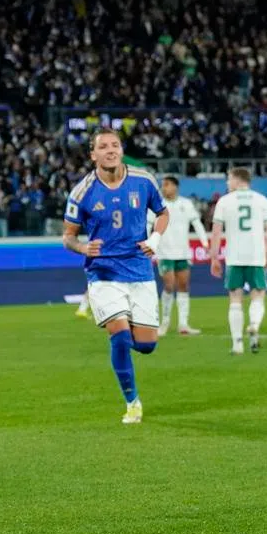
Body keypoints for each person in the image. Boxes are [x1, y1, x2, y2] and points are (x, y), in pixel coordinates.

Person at [63, 130, 169, 424]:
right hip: (104, 272)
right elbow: (68, 236)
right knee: (120, 337)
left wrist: (155, 239)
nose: (110, 150)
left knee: (146, 345)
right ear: (92, 155)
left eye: (115, 145)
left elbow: (163, 213)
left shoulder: (143, 180)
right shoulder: (82, 192)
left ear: (121, 150)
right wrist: (82, 247)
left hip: (140, 269)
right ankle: (132, 402)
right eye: (103, 147)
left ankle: (120, 340)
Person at [208, 168, 267, 355]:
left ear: (238, 180)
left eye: (229, 179)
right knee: (258, 295)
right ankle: (254, 325)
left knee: (235, 298)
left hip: (234, 257)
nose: (227, 183)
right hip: (256, 256)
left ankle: (237, 344)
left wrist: (214, 257)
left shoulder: (224, 201)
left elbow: (216, 232)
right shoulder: (261, 199)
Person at [152, 176, 210, 337]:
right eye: (163, 185)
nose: (163, 188)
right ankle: (164, 323)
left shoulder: (186, 203)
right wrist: (147, 242)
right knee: (169, 285)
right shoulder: (157, 204)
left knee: (183, 286)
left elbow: (197, 223)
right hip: (164, 252)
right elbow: (147, 224)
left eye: (166, 185)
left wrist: (205, 242)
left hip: (183, 253)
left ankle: (183, 324)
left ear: (175, 187)